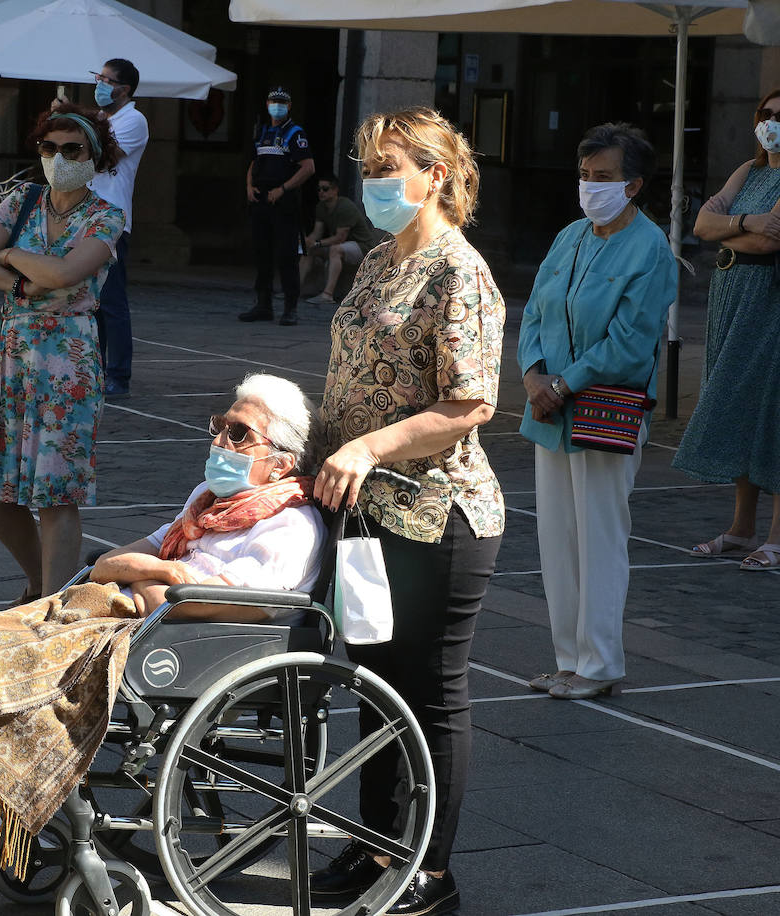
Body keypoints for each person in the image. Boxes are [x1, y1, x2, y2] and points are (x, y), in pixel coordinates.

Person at [0, 375, 326, 899]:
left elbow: (196, 602)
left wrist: (156, 579)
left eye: (238, 434)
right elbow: (108, 565)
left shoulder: (289, 528)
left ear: (280, 459)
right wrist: (161, 572)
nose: (219, 441)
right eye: (220, 427)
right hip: (119, 619)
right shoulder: (204, 505)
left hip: (165, 643)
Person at [310, 108, 504, 916]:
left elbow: (469, 404)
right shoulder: (379, 261)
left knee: (431, 691)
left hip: (439, 512)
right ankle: (379, 841)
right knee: (378, 685)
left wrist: (369, 448)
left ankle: (431, 866)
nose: (374, 181)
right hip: (368, 512)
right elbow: (348, 379)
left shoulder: (460, 271)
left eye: (391, 166)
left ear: (436, 174)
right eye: (367, 166)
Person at [518, 124, 676, 701]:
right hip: (549, 409)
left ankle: (600, 662)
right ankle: (569, 659)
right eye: (585, 175)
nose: (591, 186)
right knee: (557, 538)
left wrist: (563, 381)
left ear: (633, 185)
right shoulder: (569, 237)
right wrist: (533, 373)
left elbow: (631, 343)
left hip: (603, 409)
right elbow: (534, 310)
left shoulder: (651, 247)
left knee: (600, 537)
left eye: (604, 177)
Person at [0, 104, 125, 601]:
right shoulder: (22, 200)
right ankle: (41, 585)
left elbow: (67, 274)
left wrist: (7, 255)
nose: (59, 158)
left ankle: (54, 604)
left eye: (72, 149)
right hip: (7, 354)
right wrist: (22, 284)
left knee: (56, 493)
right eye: (49, 148)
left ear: (95, 155)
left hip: (65, 361)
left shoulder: (105, 216)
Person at [674, 87, 780, 572]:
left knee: (775, 406)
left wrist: (736, 228)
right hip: (730, 295)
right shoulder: (751, 169)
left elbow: (770, 241)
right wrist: (747, 220)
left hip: (776, 301)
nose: (772, 121)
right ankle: (742, 528)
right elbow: (701, 223)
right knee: (739, 402)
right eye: (765, 113)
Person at [88, 57, 149, 399]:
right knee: (90, 300)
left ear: (124, 89)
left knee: (111, 301)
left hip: (111, 218)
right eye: (97, 76)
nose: (99, 84)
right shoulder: (101, 118)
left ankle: (118, 375)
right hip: (86, 215)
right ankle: (93, 368)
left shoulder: (133, 119)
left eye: (106, 80)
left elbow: (103, 156)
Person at [240, 86, 315, 326]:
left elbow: (308, 167)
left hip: (284, 202)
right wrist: (249, 186)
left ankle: (290, 308)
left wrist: (283, 189)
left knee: (286, 255)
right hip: (261, 200)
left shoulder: (295, 133)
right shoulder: (262, 132)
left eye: (282, 102)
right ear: (267, 103)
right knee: (262, 254)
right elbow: (253, 162)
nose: (277, 105)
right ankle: (263, 305)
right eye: (274, 101)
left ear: (289, 106)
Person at [300, 173, 379, 306]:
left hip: (363, 247)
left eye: (325, 189)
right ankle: (295, 289)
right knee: (309, 251)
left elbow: (339, 238)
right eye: (319, 189)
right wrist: (307, 242)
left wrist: (317, 243)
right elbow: (317, 233)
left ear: (335, 190)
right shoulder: (321, 207)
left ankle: (327, 295)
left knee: (335, 249)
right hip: (344, 245)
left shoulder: (345, 207)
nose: (321, 192)